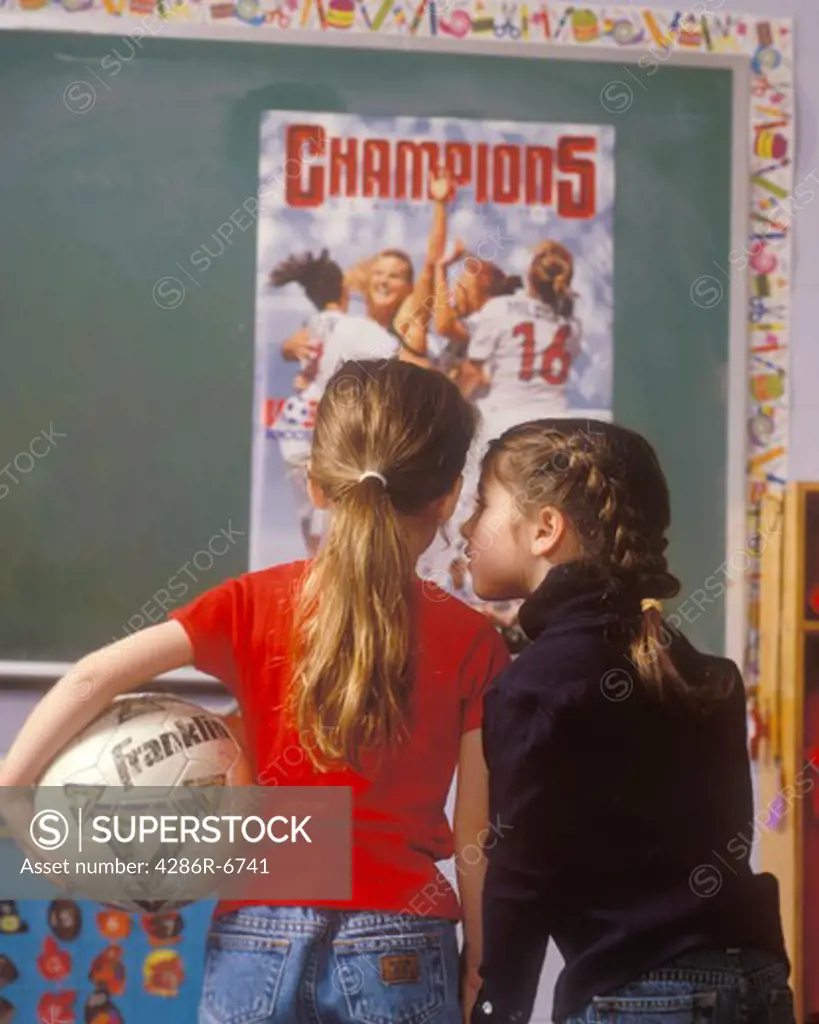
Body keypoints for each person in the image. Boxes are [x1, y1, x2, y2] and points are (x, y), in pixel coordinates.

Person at [0, 359, 510, 1024]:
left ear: (317, 485)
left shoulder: (252, 602)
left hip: (258, 932)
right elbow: (476, 839)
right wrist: (481, 959)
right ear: (448, 495)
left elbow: (94, 675)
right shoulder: (476, 640)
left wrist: (16, 798)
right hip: (401, 935)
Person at [461, 418, 793, 1024]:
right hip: (757, 981)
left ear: (544, 530)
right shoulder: (700, 671)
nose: (465, 527)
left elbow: (520, 876)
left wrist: (494, 1007)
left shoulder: (533, 686)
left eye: (481, 506)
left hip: (641, 998)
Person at [270, 249, 398, 554]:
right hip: (328, 429)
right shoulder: (356, 328)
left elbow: (292, 350)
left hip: (296, 427)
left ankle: (316, 577)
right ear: (344, 291)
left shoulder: (311, 324)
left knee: (312, 516)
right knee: (338, 517)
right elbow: (392, 354)